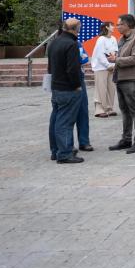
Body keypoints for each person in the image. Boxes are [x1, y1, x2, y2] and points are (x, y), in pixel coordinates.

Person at [107, 14, 135, 154]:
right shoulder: (122, 39)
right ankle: (126, 139)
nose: (117, 27)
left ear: (128, 25)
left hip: (131, 79)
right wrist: (115, 60)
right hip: (120, 78)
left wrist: (116, 60)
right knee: (125, 111)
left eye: (119, 24)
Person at [47, 18, 84, 164]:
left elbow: (50, 66)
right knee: (65, 121)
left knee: (56, 119)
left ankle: (56, 151)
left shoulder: (54, 42)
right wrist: (76, 85)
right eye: (79, 27)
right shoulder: (71, 44)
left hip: (56, 87)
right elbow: (72, 69)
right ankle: (65, 153)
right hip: (68, 89)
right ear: (75, 29)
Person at [91, 21, 118, 118]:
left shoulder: (114, 38)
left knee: (111, 87)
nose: (114, 27)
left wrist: (114, 61)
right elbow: (100, 55)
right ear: (107, 27)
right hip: (101, 67)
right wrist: (108, 65)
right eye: (112, 25)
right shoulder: (101, 39)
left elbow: (115, 50)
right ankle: (99, 109)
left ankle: (109, 108)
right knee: (101, 88)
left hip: (112, 66)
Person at [73, 38, 93, 153]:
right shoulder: (59, 44)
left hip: (79, 79)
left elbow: (84, 58)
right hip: (67, 81)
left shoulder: (77, 43)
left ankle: (84, 141)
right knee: (68, 115)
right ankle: (67, 144)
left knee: (83, 111)